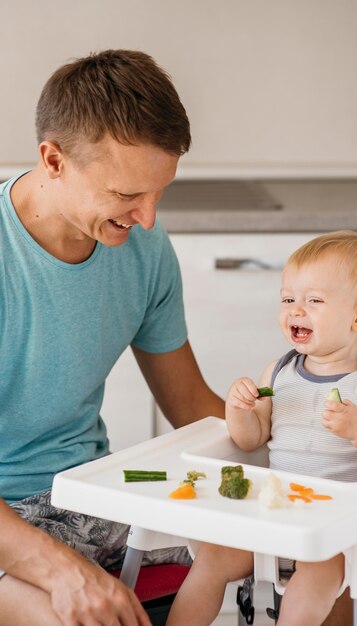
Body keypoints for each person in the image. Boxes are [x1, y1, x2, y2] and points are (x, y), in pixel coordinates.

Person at [0, 49, 225, 626]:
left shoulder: (145, 250)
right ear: (54, 161)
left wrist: (303, 458)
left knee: (311, 563)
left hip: (86, 497)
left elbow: (192, 407)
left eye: (159, 192)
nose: (148, 218)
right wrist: (64, 572)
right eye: (127, 195)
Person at [166, 231, 357, 626]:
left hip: (337, 532)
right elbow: (251, 439)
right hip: (274, 517)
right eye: (288, 299)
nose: (296, 310)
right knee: (211, 556)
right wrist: (240, 409)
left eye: (314, 301)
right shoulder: (278, 374)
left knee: (312, 579)